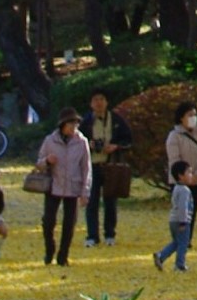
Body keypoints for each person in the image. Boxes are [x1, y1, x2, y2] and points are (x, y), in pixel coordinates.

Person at [35, 109, 92, 266]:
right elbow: (38, 163)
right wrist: (47, 161)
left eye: (76, 123)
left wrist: (85, 191)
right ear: (62, 125)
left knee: (69, 224)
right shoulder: (50, 141)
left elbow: (86, 168)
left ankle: (63, 256)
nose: (73, 127)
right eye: (70, 124)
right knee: (48, 222)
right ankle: (49, 250)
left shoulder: (82, 142)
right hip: (54, 186)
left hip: (73, 186)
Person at [83, 89, 133, 246]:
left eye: (102, 99)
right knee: (92, 202)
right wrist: (89, 145)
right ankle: (92, 235)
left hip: (111, 166)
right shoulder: (86, 122)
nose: (99, 103)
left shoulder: (116, 120)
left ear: (107, 102)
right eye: (95, 99)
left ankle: (110, 234)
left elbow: (128, 139)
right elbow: (78, 142)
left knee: (110, 201)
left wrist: (116, 146)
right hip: (93, 165)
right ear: (91, 103)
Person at [153, 159, 197, 272]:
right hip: (181, 221)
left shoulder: (176, 188)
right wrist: (183, 222)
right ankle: (179, 264)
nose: (191, 175)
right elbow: (183, 207)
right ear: (180, 176)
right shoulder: (184, 191)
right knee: (183, 243)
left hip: (173, 220)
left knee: (176, 242)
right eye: (189, 173)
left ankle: (161, 256)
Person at [166, 101, 197, 193]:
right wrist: (185, 177)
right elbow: (174, 159)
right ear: (181, 117)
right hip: (179, 182)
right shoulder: (174, 136)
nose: (193, 118)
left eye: (195, 115)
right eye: (190, 115)